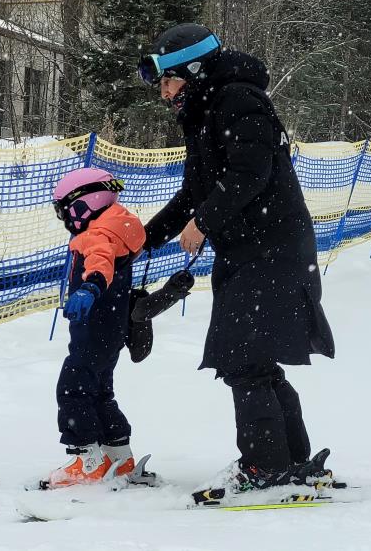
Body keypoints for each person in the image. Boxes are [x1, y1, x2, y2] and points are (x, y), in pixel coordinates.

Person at [137, 24, 336, 492]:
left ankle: (266, 470)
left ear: (195, 71)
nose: (164, 93)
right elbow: (194, 192)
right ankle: (290, 464)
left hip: (273, 248)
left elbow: (252, 172)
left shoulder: (239, 101)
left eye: (168, 81)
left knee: (245, 359)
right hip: (253, 249)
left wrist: (204, 222)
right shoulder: (206, 110)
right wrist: (144, 239)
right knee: (255, 360)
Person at [44, 167, 146, 488]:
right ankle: (118, 453)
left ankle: (86, 460)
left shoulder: (99, 235)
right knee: (100, 391)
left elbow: (99, 261)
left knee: (72, 389)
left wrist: (90, 287)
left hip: (94, 326)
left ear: (85, 203)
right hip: (110, 330)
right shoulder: (118, 226)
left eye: (66, 212)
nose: (67, 221)